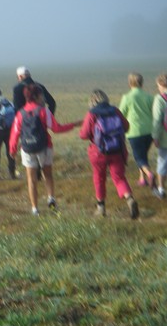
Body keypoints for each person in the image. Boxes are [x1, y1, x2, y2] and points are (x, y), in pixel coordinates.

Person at [9, 84, 81, 216]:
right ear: (36, 96)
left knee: (31, 180)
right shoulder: (44, 111)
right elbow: (56, 129)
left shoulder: (20, 114)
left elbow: (14, 134)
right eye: (41, 95)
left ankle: (35, 209)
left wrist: (12, 150)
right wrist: (74, 125)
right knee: (47, 175)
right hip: (45, 147)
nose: (43, 97)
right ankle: (51, 198)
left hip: (27, 149)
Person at [79, 89, 140, 219]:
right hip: (117, 149)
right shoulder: (115, 111)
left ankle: (101, 208)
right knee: (119, 178)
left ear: (91, 101)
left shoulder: (91, 114)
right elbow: (126, 126)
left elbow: (83, 135)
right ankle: (129, 199)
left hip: (98, 152)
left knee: (99, 178)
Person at [119, 72, 156, 189]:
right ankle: (142, 179)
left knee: (139, 157)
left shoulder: (127, 97)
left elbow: (121, 114)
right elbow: (154, 113)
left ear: (130, 83)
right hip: (149, 131)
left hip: (134, 132)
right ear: (142, 83)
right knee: (143, 155)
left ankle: (149, 174)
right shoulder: (150, 97)